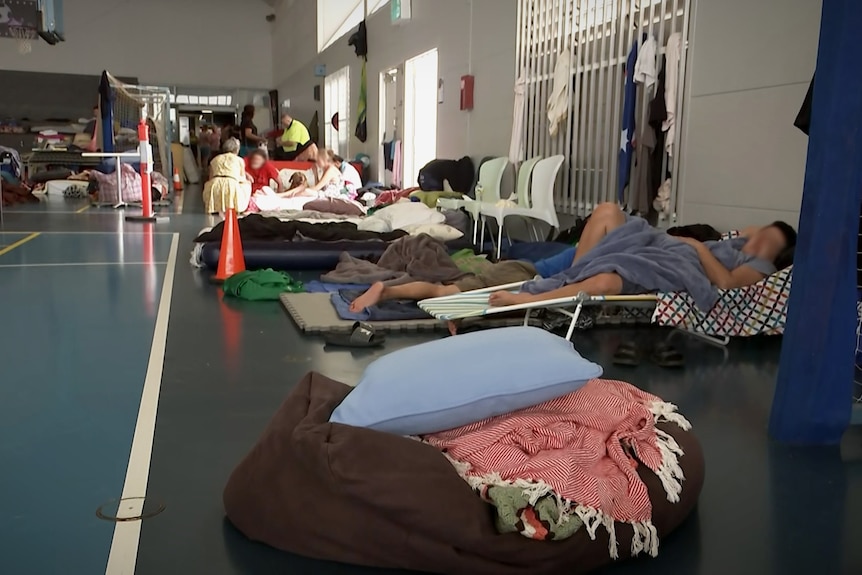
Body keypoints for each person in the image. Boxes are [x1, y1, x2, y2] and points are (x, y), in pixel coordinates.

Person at [349, 202, 797, 313]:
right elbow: (755, 233)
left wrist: (697, 246)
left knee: (462, 284)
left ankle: (387, 290)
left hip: (551, 270)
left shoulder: (749, 268)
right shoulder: (738, 244)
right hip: (567, 262)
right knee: (607, 211)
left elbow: (725, 282)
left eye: (764, 249)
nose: (753, 244)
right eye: (755, 240)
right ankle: (389, 289)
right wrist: (754, 237)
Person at [202, 137, 252, 214]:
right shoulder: (239, 160)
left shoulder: (215, 159)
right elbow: (242, 178)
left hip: (215, 184)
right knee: (247, 185)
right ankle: (238, 207)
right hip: (231, 184)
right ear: (236, 149)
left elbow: (210, 177)